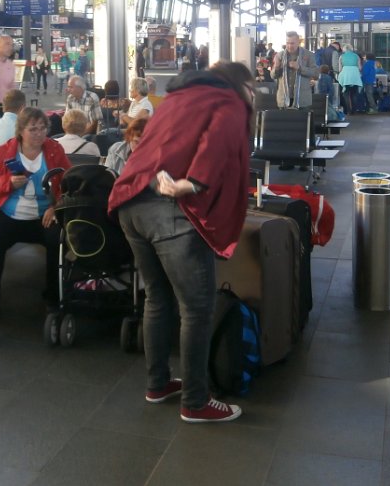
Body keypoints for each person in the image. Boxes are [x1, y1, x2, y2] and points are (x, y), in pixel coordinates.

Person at [109, 62, 253, 424]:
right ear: (239, 84)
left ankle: (157, 384)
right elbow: (217, 144)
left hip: (132, 202)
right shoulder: (228, 100)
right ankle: (196, 401)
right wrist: (193, 184)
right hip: (170, 208)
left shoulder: (177, 97)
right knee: (197, 309)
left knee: (157, 298)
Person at [0, 107, 70, 318]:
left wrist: (56, 207)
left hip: (43, 216)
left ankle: (54, 297)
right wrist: (7, 183)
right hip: (9, 215)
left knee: (57, 239)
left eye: (43, 128)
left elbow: (69, 183)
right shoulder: (4, 151)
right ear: (20, 131)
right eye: (33, 129)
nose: (39, 133)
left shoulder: (55, 150)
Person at [272, 31, 318, 109]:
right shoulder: (279, 55)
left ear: (298, 42)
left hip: (302, 100)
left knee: (302, 117)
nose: (289, 46)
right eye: (287, 43)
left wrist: (299, 68)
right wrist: (276, 67)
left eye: (292, 43)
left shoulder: (308, 55)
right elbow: (273, 76)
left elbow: (315, 73)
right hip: (283, 100)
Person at [337, 44, 363, 114]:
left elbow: (340, 69)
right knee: (354, 94)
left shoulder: (341, 56)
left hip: (345, 76)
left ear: (344, 49)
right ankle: (354, 110)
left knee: (346, 94)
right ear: (351, 49)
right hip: (355, 75)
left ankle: (348, 110)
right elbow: (360, 68)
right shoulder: (356, 56)